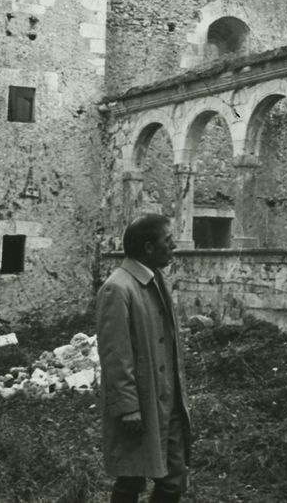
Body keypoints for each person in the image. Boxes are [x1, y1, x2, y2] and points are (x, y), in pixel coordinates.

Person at [96, 214, 192, 503]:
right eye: (168, 241)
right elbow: (115, 355)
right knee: (131, 478)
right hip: (141, 404)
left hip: (168, 401)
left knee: (174, 478)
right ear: (149, 248)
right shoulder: (118, 288)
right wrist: (127, 408)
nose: (173, 246)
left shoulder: (157, 279)